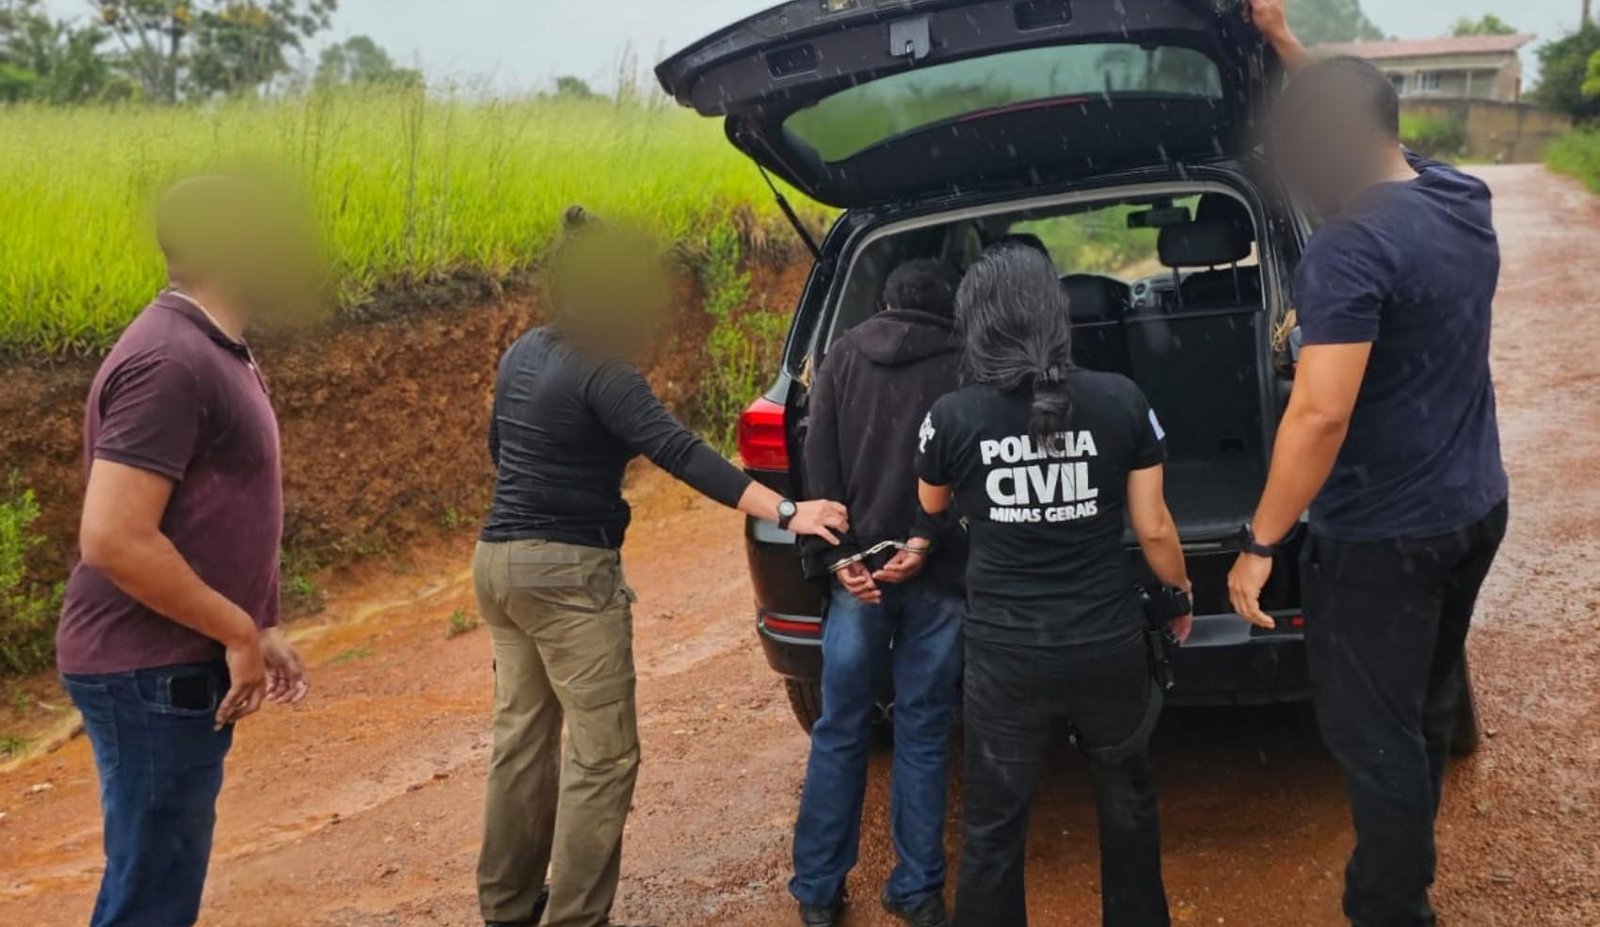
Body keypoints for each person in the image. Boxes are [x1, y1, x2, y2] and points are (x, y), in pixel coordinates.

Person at [474, 208, 850, 927]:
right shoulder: (606, 373)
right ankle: (577, 917)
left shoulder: (522, 351)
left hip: (497, 564)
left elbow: (502, 449)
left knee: (521, 741)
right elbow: (684, 454)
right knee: (602, 755)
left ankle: (507, 906)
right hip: (569, 578)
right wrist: (787, 510)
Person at [1229, 4, 1510, 925]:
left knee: (1371, 733)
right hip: (1471, 507)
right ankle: (1404, 872)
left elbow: (1319, 411)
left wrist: (1260, 541)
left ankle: (1390, 906)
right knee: (1422, 705)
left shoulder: (1351, 247)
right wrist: (1281, 44)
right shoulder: (1457, 194)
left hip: (1384, 537)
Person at [55, 175, 315, 927]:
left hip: (166, 661)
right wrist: (234, 629)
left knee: (157, 880)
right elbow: (112, 535)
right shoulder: (171, 360)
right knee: (153, 897)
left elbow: (213, 512)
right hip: (147, 668)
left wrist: (259, 622)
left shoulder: (213, 347)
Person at [917, 245, 1192, 927]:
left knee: (992, 827)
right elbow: (1154, 527)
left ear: (975, 322)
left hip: (1005, 656)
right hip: (1108, 642)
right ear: (1055, 315)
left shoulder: (950, 416)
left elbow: (930, 507)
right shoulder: (1122, 399)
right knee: (1127, 807)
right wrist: (1179, 596)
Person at [790, 259, 968, 927]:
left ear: (885, 302)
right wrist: (924, 540)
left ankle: (817, 890)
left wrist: (839, 559)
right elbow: (958, 470)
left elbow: (819, 466)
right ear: (946, 306)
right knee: (923, 727)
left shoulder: (839, 357)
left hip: (856, 582)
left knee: (841, 727)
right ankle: (919, 888)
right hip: (936, 573)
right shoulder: (961, 361)